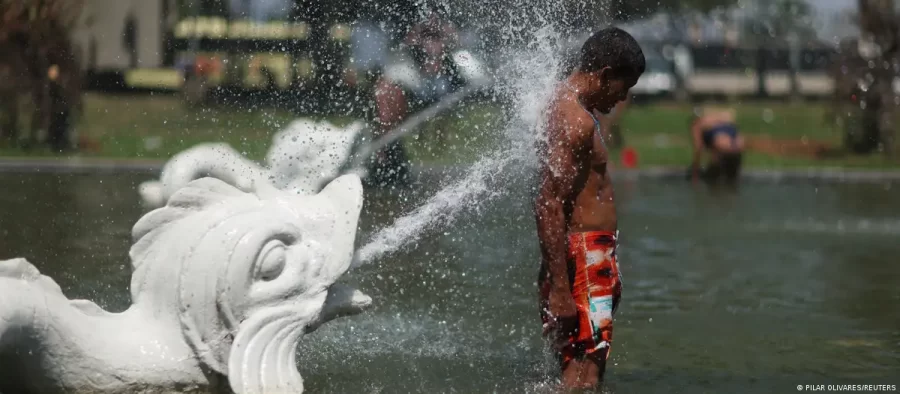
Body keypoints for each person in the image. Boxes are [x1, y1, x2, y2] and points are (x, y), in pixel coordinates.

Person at [534, 27, 645, 389]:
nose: (622, 98)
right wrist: (563, 291)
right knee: (586, 375)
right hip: (584, 258)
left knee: (574, 368)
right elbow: (548, 204)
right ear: (605, 75)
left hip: (577, 258)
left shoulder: (561, 103)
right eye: (622, 87)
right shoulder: (575, 120)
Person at [368, 8, 460, 186]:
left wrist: (442, 39)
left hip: (435, 79)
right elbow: (405, 43)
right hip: (411, 71)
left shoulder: (441, 22)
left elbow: (455, 41)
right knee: (384, 91)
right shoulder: (405, 23)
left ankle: (388, 153)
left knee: (389, 94)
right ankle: (385, 152)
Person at [688, 106, 745, 185]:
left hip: (721, 147)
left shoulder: (698, 125)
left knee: (713, 180)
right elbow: (733, 121)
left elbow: (698, 148)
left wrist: (695, 174)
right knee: (732, 181)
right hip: (738, 146)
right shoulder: (723, 118)